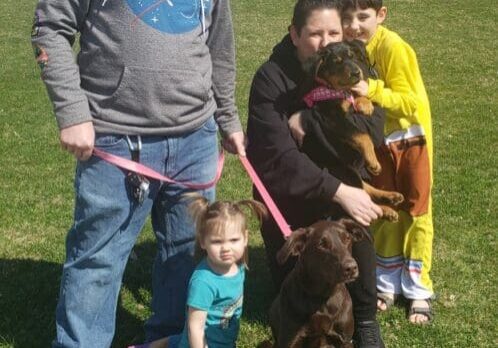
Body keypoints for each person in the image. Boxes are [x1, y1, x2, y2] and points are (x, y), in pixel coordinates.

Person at [31, 1, 245, 347]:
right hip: (116, 139)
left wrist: (228, 118)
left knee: (187, 252)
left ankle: (173, 341)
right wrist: (72, 112)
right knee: (98, 260)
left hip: (196, 137)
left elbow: (219, 46)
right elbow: (49, 26)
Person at [246, 0, 386, 346]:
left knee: (356, 206)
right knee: (294, 301)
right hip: (291, 202)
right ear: (294, 34)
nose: (326, 43)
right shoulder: (271, 78)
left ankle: (365, 319)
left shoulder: (351, 64)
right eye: (315, 34)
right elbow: (277, 157)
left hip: (339, 187)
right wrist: (336, 188)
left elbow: (375, 130)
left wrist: (308, 122)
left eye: (334, 33)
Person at [341, 0, 435, 324]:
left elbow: (410, 102)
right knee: (384, 211)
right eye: (347, 17)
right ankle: (388, 282)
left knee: (415, 211)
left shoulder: (394, 48)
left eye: (363, 16)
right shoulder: (349, 47)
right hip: (380, 139)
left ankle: (419, 289)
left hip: (412, 139)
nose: (353, 25)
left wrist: (372, 89)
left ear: (381, 15)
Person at [130, 195, 267, 348]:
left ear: (245, 238)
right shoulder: (204, 282)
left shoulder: (238, 266)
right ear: (202, 241)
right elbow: (195, 328)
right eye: (217, 241)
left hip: (224, 340)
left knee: (175, 341)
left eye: (234, 240)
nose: (226, 248)